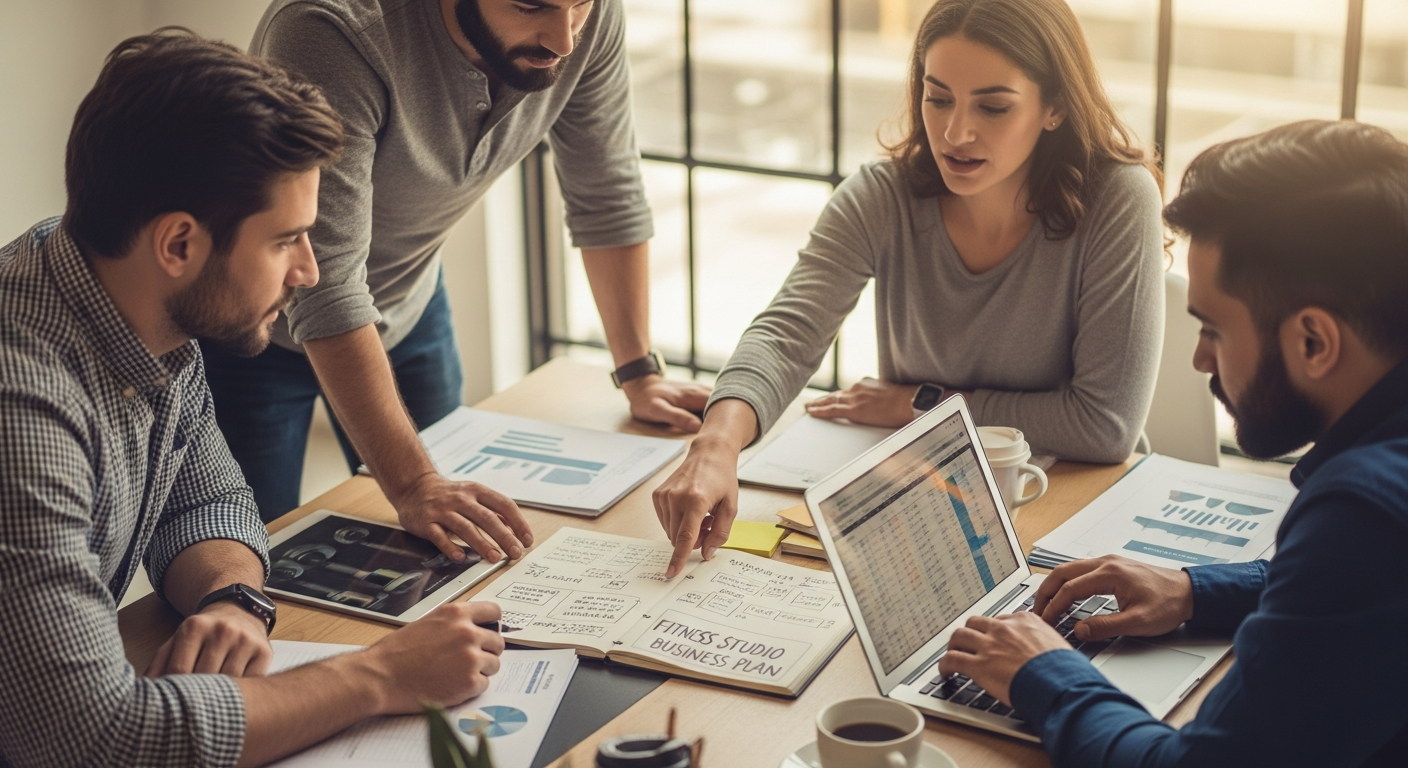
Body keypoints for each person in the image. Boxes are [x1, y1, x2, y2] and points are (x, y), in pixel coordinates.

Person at [0, 31, 506, 768]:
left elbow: (206, 501)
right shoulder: (23, 409)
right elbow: (88, 737)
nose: (310, 270)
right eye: (287, 240)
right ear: (179, 245)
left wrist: (232, 599)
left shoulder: (131, 298)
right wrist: (382, 675)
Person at [938, 119, 1408, 767]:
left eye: (1213, 329)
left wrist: (1041, 672)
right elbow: (1360, 591)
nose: (1199, 360)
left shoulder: (1365, 514)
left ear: (1314, 342)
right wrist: (1195, 591)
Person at [655, 0, 1165, 577]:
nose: (955, 132)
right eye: (938, 96)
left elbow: (1102, 428)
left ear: (1055, 108)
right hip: (930, 508)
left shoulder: (1119, 198)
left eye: (992, 106)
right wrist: (715, 445)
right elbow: (786, 334)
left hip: (1074, 523)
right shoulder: (883, 194)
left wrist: (917, 403)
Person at [211, 0, 710, 555]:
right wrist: (414, 483)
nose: (565, 40)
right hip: (253, 326)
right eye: (531, 5)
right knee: (253, 558)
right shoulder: (329, 30)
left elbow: (607, 192)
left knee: (456, 547)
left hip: (409, 300)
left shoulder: (580, 18)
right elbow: (323, 282)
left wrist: (638, 371)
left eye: (580, 7)